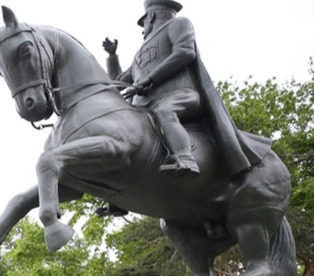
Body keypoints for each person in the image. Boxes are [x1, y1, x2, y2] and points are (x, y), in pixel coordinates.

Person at [102, 0, 259, 177]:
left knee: (164, 111)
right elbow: (118, 81)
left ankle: (185, 159)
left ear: (151, 16)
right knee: (123, 134)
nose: (142, 28)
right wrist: (112, 56)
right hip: (146, 106)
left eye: (143, 22)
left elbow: (185, 52)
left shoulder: (178, 24)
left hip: (181, 95)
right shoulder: (139, 53)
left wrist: (148, 80)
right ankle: (117, 200)